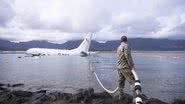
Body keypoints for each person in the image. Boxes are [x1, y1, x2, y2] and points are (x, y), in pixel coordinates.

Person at [117, 35, 135, 100]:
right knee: (133, 82)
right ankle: (135, 99)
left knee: (121, 82)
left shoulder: (119, 47)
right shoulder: (126, 46)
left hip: (119, 67)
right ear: (126, 40)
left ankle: (120, 96)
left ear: (121, 41)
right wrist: (132, 66)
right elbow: (128, 57)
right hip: (125, 67)